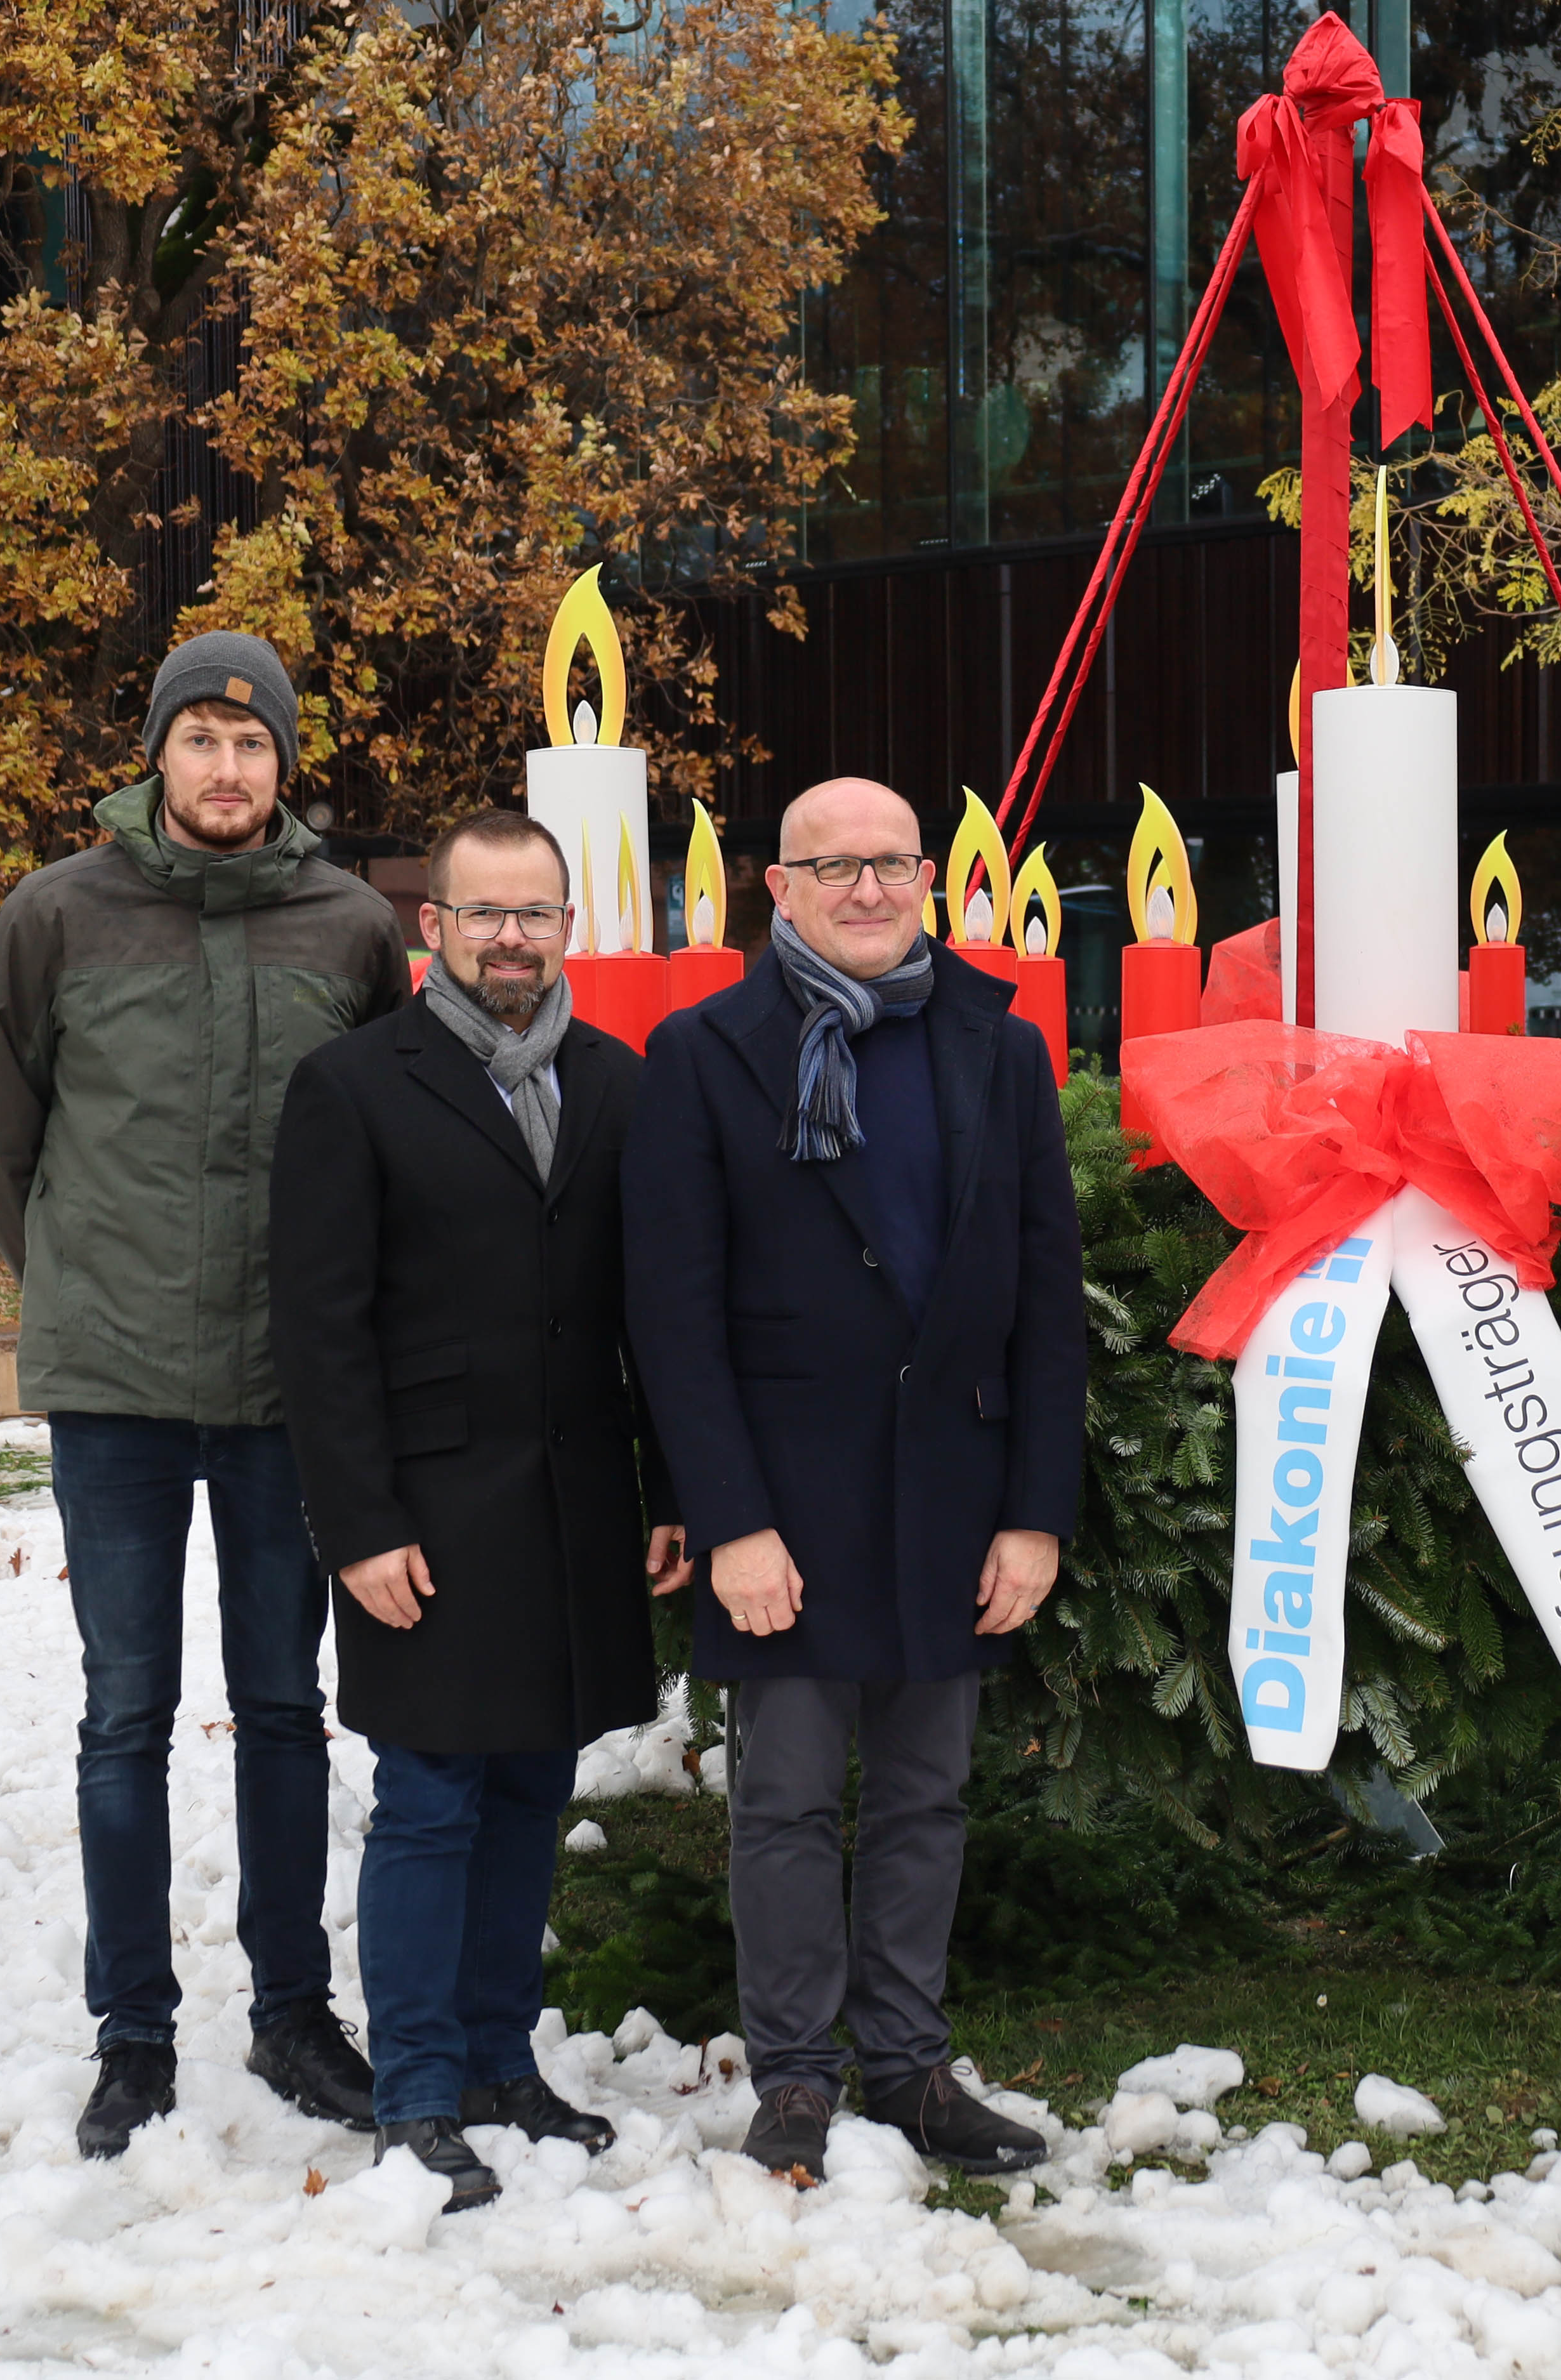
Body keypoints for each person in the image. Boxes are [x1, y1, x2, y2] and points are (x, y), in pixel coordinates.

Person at [0, 631, 411, 2159]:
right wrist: (73, 1280)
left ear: (285, 766)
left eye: (252, 744)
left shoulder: (348, 926)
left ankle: (292, 2016)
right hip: (121, 1390)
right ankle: (132, 2035)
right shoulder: (56, 915)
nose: (226, 769)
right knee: (121, 1715)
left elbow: (387, 1142)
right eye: (200, 741)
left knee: (286, 1708)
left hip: (293, 1387)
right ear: (157, 754)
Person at [623, 775, 1084, 2190]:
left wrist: (1035, 1509)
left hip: (954, 1481)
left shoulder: (995, 1047)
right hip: (788, 1495)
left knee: (925, 1796)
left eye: (892, 864)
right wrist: (731, 1518)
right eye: (837, 868)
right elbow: (672, 1316)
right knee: (784, 1800)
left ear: (928, 877)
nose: (869, 890)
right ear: (782, 888)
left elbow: (1043, 1298)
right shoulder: (703, 1054)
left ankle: (908, 2061)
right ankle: (795, 2079)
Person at [268, 809, 680, 2213]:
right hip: (426, 1516)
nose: (512, 938)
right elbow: (319, 1334)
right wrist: (357, 1526)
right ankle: (420, 2093)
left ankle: (505, 2062)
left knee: (530, 1787)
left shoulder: (616, 1085)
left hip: (571, 1503)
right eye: (483, 913)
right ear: (429, 927)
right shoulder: (352, 1087)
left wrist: (669, 1491)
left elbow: (655, 1314)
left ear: (567, 929)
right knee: (432, 1797)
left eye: (537, 914)